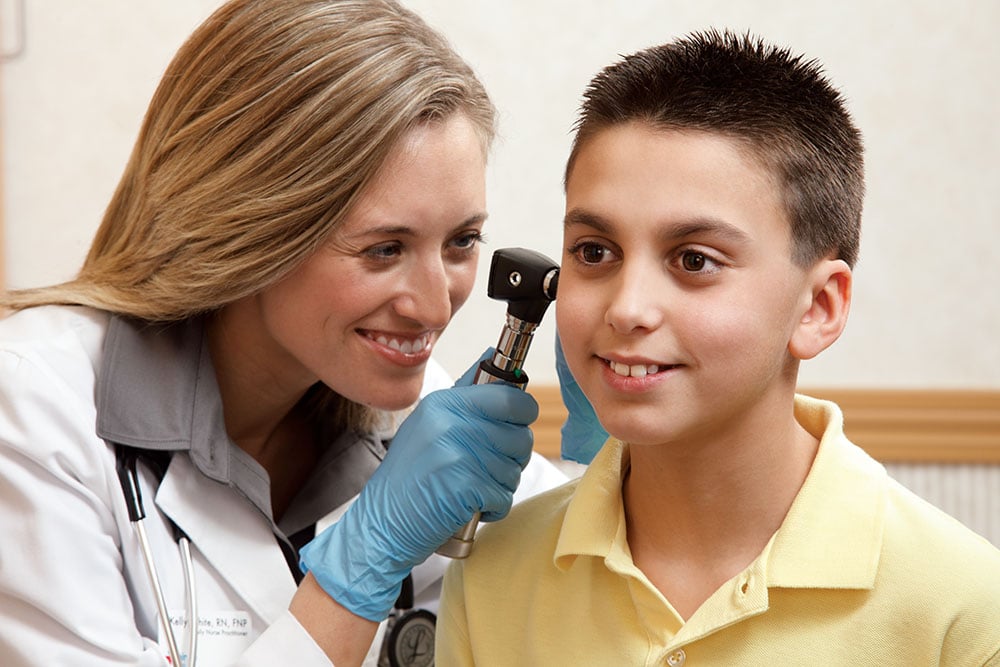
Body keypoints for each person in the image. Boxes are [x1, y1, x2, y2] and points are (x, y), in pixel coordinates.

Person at [0, 1, 566, 665]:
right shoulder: (36, 414)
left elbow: (601, 572)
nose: (435, 306)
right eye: (384, 249)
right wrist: (361, 563)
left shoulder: (419, 418)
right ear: (251, 229)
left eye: (462, 241)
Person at [437, 30, 1000, 665]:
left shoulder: (966, 616)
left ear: (819, 307)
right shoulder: (492, 580)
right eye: (594, 252)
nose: (626, 308)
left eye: (694, 260)